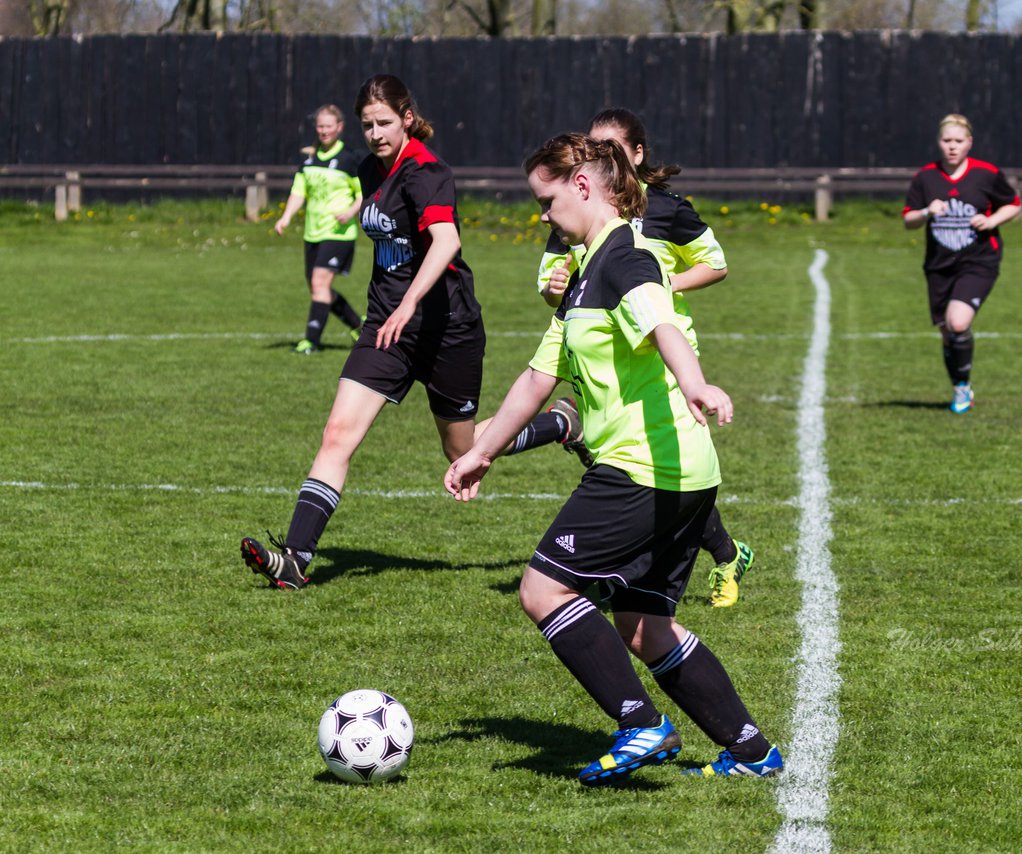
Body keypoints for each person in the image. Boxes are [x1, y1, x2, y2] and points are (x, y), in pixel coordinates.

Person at [445, 133, 783, 784]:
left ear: (581, 186)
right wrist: (482, 451)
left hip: (641, 467)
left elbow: (661, 323)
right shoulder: (584, 271)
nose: (541, 216)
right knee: (645, 628)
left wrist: (696, 383)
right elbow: (536, 380)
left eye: (545, 200)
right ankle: (752, 752)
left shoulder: (625, 255)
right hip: (685, 470)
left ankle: (641, 724)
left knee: (543, 590)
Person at [241, 74, 485, 588]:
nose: (374, 133)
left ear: (408, 119)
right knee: (337, 435)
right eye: (367, 125)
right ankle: (295, 561)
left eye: (384, 123)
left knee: (462, 453)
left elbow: (445, 243)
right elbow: (376, 217)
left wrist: (411, 301)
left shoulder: (427, 171)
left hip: (447, 329)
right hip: (385, 328)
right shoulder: (366, 169)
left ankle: (556, 426)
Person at [532, 107, 754, 608]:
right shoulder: (572, 209)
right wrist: (555, 288)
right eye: (592, 146)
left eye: (610, 147)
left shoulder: (667, 210)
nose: (598, 155)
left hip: (666, 349)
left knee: (658, 464)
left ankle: (706, 559)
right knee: (621, 461)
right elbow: (552, 288)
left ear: (636, 154)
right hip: (603, 346)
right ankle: (701, 557)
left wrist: (656, 283)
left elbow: (715, 264)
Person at [904, 114, 1022, 414]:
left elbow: (1014, 204)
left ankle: (961, 390)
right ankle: (961, 385)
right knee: (947, 330)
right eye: (947, 141)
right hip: (939, 265)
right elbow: (908, 221)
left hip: (979, 260)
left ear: (969, 143)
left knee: (958, 321)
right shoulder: (926, 178)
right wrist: (926, 212)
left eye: (958, 141)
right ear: (938, 143)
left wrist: (992, 219)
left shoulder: (986, 174)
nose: (952, 147)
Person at [274, 105, 366, 354]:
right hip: (312, 232)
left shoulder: (350, 158)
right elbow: (298, 191)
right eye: (320, 126)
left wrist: (350, 212)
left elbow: (364, 193)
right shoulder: (308, 158)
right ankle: (359, 327)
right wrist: (285, 217)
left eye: (328, 126)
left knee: (319, 283)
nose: (324, 131)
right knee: (318, 288)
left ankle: (311, 341)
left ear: (339, 127)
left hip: (338, 232)